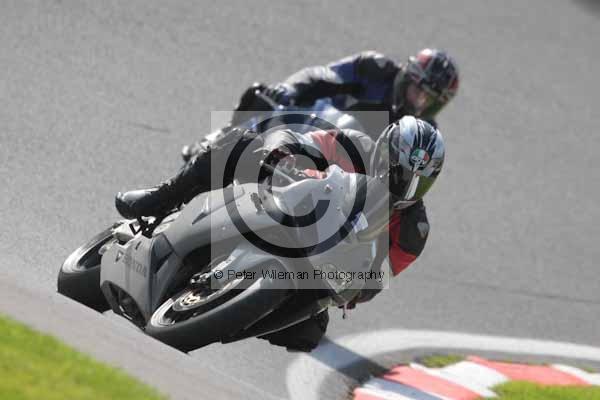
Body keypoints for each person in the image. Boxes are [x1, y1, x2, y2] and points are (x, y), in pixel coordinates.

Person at [115, 116, 445, 352]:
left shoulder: (413, 232)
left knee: (308, 334)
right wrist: (282, 155)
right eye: (398, 171)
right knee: (241, 144)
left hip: (321, 264)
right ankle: (162, 197)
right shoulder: (354, 145)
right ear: (384, 150)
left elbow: (376, 280)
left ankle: (228, 311)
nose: (403, 186)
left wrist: (356, 286)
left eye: (418, 183)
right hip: (286, 201)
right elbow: (300, 140)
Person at [182, 48, 458, 161]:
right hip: (314, 122)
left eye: (429, 100)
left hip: (345, 168)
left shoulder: (422, 134)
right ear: (407, 77)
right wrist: (290, 88)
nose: (420, 102)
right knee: (261, 95)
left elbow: (410, 177)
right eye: (417, 91)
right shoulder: (375, 69)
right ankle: (220, 140)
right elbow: (321, 75)